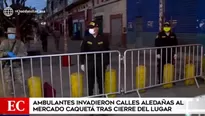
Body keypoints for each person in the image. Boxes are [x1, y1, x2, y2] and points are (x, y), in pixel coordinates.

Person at [80, 21, 110, 97]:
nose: (91, 29)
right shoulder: (86, 38)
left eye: (92, 28)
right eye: (90, 28)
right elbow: (82, 50)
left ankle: (101, 95)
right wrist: (82, 63)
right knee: (90, 81)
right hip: (90, 62)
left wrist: (107, 63)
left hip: (101, 62)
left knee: (101, 80)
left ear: (97, 28)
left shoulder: (103, 38)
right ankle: (90, 95)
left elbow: (107, 50)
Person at [0, 27, 27, 97]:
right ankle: (10, 97)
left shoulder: (20, 43)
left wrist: (16, 56)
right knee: (7, 82)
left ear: (15, 34)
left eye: (12, 34)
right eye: (9, 34)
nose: (10, 35)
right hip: (6, 65)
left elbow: (25, 54)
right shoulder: (4, 43)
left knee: (20, 82)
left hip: (16, 65)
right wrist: (6, 53)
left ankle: (23, 96)